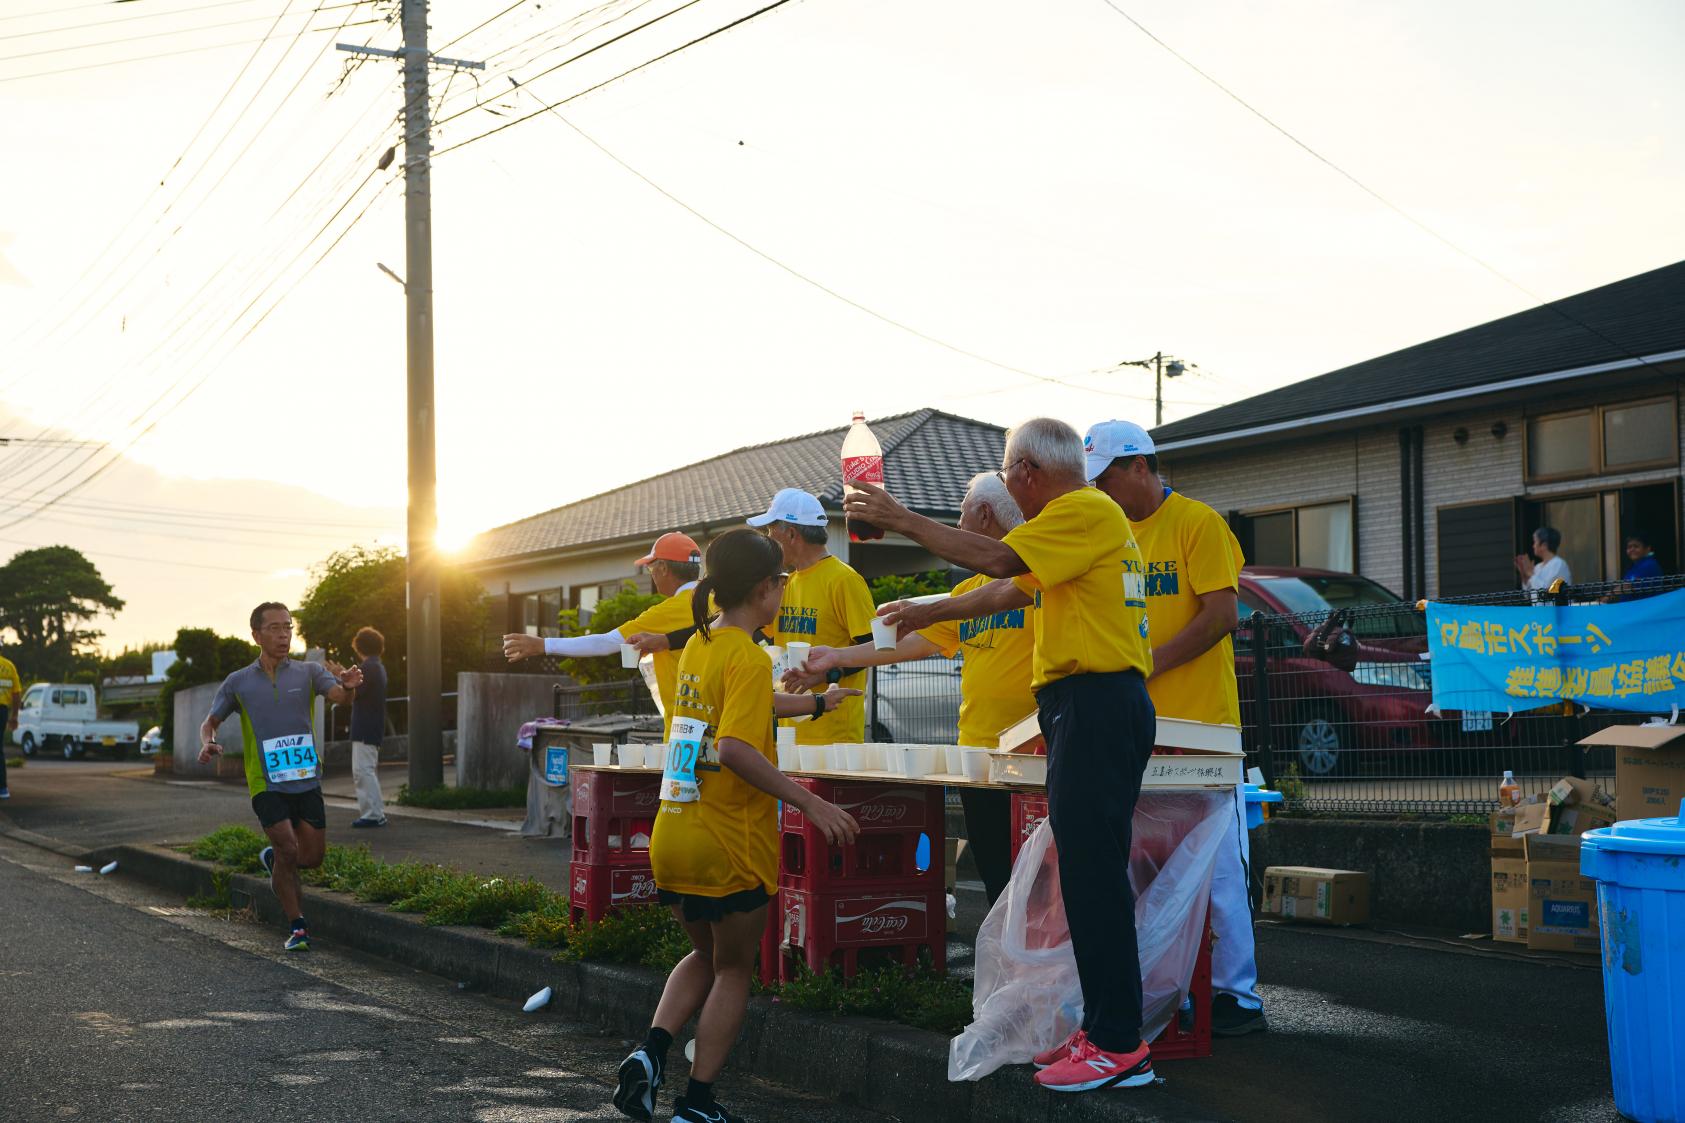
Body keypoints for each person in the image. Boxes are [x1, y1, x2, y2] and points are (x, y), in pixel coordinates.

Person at [844, 418, 1158, 1095]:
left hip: (1096, 701)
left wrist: (898, 516)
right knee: (1087, 872)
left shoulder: (1078, 509)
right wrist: (930, 609)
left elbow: (995, 562)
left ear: (1024, 473)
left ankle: (1117, 1042)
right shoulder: (1081, 521)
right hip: (1091, 703)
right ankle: (1107, 1029)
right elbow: (1007, 589)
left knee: (1092, 874)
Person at [614, 529, 861, 1123]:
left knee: (704, 956)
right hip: (728, 841)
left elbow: (747, 702)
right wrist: (812, 804)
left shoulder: (700, 645)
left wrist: (816, 703)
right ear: (762, 590)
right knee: (732, 969)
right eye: (779, 582)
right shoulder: (750, 654)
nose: (783, 588)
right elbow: (734, 748)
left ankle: (650, 1054)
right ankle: (697, 1104)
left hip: (675, 832)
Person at [1083, 420, 1264, 1037]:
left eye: (1107, 478)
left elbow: (1222, 615)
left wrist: (1145, 664)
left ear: (1140, 466)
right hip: (1138, 726)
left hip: (1204, 728)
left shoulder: (1197, 523)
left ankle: (1236, 996)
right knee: (1145, 869)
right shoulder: (1108, 533)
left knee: (1215, 867)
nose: (1102, 492)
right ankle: (1169, 990)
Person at [791, 472, 1033, 905]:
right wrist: (837, 657)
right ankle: (1007, 969)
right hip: (979, 757)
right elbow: (913, 645)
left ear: (984, 515)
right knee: (1000, 882)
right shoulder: (967, 590)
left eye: (961, 516)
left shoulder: (1036, 577)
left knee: (1039, 883)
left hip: (1034, 756)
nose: (957, 527)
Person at [199, 603, 361, 952]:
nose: (283, 634)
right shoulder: (238, 682)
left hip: (305, 778)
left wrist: (347, 687)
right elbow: (211, 721)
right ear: (256, 634)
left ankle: (273, 860)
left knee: (311, 857)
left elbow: (339, 697)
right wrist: (208, 743)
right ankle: (297, 925)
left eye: (287, 627)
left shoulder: (309, 672)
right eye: (274, 628)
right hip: (265, 782)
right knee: (288, 847)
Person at [504, 532, 704, 737]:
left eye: (651, 567)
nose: (650, 574)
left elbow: (606, 642)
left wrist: (543, 645)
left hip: (684, 733)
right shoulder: (721, 604)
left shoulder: (667, 612)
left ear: (663, 568)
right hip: (719, 726)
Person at [746, 488, 875, 746]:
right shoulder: (785, 583)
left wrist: (823, 676)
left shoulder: (844, 580)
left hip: (835, 734)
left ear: (792, 534)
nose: (769, 540)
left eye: (771, 531)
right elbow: (764, 636)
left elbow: (873, 648)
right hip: (788, 732)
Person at [345, 627, 389, 828]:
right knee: (366, 770)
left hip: (365, 727)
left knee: (363, 771)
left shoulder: (368, 667)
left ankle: (372, 815)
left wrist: (340, 678)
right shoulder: (376, 666)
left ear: (359, 646)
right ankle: (376, 813)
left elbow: (353, 692)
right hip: (372, 726)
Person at [1516, 526, 1570, 597]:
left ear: (1544, 545)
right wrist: (1524, 575)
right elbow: (1527, 595)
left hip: (1554, 608)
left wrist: (1531, 574)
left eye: (1535, 542)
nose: (1533, 546)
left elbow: (1548, 592)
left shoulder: (1559, 564)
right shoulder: (1537, 567)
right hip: (1539, 608)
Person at [0, 650, 18, 801]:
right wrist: (14, 716)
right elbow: (16, 694)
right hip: (3, 711)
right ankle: (3, 788)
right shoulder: (9, 666)